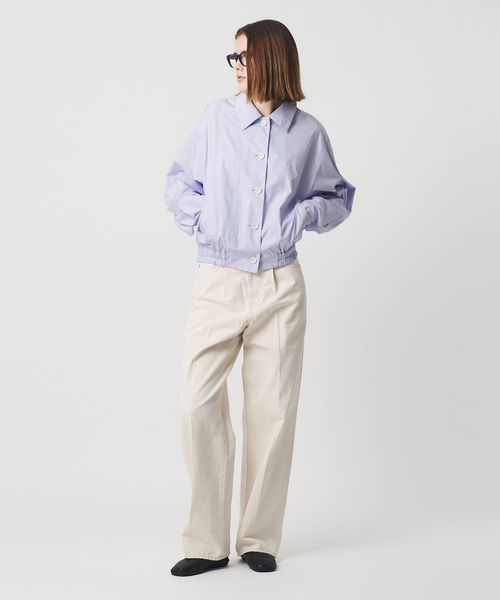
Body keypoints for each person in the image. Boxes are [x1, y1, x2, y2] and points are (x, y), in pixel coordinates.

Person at [164, 19, 356, 577]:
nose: (236, 66)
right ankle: (205, 542)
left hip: (279, 287)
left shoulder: (307, 133)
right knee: (196, 404)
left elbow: (338, 196)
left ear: (273, 59)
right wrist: (204, 219)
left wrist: (302, 216)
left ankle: (258, 538)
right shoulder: (214, 120)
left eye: (244, 56)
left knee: (272, 413)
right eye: (234, 57)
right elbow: (178, 184)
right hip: (218, 281)